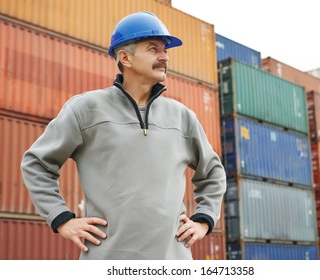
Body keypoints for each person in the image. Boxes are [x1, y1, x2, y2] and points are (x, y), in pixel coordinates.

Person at [21, 11, 226, 260]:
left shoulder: (182, 117)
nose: (164, 57)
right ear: (125, 58)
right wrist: (61, 219)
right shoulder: (86, 109)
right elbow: (37, 163)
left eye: (165, 51)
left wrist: (203, 220)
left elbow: (213, 172)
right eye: (153, 49)